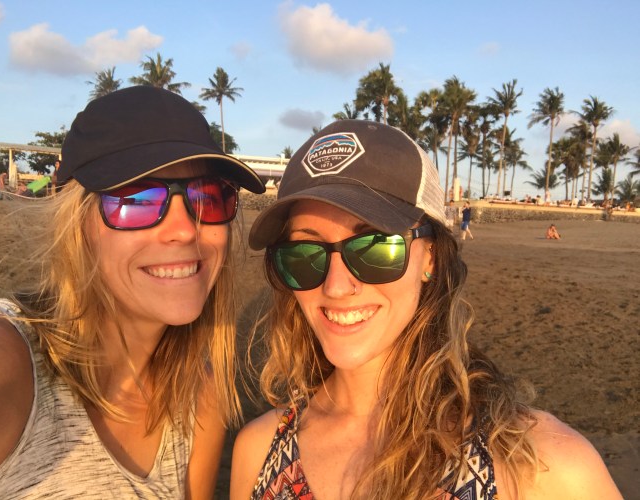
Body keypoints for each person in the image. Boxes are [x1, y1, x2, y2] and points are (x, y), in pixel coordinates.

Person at [230, 120, 620, 499]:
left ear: (430, 256)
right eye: (303, 253)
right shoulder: (257, 452)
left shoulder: (540, 465)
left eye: (375, 248)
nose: (335, 286)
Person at [0, 86, 265, 498]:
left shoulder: (199, 396)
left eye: (208, 198)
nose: (185, 229)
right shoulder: (6, 364)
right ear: (78, 225)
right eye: (138, 199)